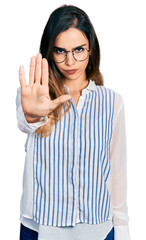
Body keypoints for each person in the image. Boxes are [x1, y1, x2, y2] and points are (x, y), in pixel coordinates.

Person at [16, 4, 130, 240]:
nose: (70, 61)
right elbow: (26, 121)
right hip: (41, 229)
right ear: (50, 52)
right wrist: (32, 115)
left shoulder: (112, 102)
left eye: (79, 49)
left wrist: (123, 231)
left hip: (98, 231)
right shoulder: (34, 96)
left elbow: (117, 175)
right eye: (60, 51)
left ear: (91, 48)